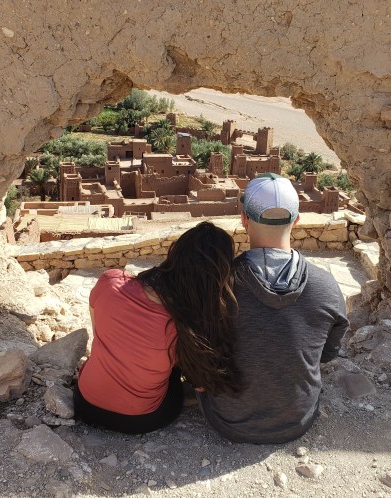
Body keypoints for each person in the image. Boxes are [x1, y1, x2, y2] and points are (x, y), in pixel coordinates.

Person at [198, 173, 349, 444]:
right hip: (296, 421)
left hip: (230, 421)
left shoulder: (216, 285)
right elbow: (326, 354)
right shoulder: (326, 286)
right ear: (297, 220)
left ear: (244, 219)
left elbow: (199, 350)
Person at [74, 221, 242, 434]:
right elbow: (201, 385)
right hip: (139, 419)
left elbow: (98, 331)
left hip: (85, 403)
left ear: (175, 254)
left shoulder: (110, 282)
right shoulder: (186, 326)